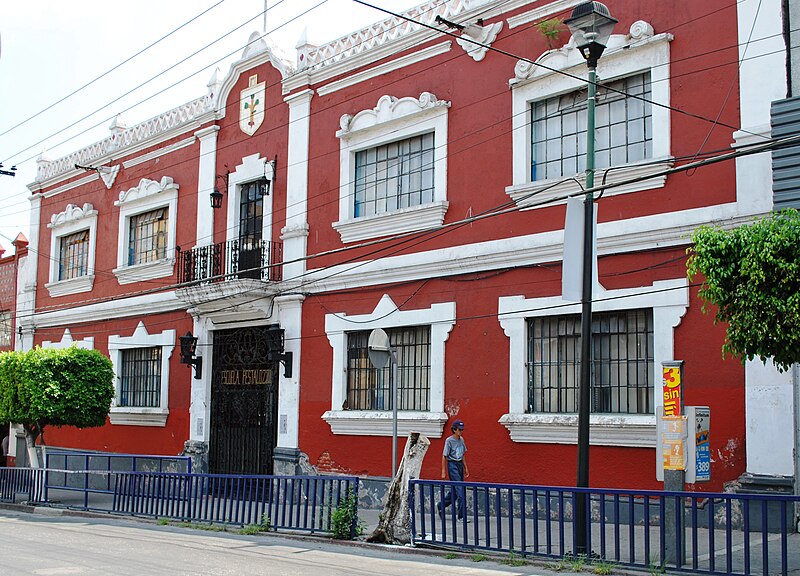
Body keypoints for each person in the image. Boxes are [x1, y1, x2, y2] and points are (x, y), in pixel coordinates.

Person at [437, 419, 469, 520]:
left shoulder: (461, 440)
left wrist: (465, 468)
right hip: (452, 465)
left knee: (455, 492)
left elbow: (463, 454)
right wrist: (443, 471)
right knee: (460, 490)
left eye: (462, 430)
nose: (461, 432)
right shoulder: (449, 441)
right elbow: (444, 456)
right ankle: (461, 516)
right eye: (459, 430)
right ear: (454, 430)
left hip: (459, 464)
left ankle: (441, 505)